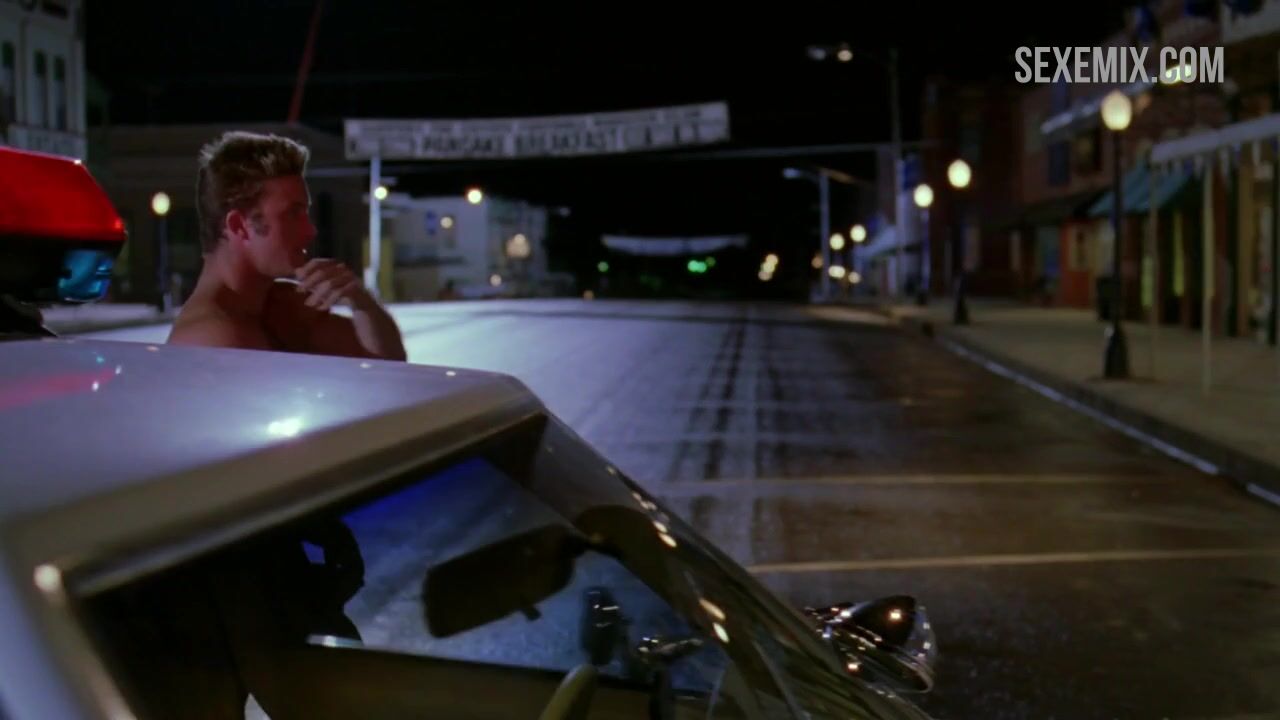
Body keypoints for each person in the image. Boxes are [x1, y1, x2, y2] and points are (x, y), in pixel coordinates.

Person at [168, 131, 406, 361]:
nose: (310, 230)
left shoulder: (283, 306)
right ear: (239, 226)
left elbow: (389, 362)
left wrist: (361, 303)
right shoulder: (214, 339)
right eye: (293, 214)